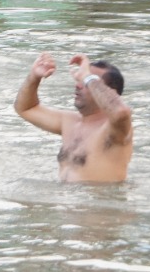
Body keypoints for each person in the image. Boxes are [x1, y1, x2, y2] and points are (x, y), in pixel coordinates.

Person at [15, 53, 133, 183]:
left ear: (111, 92)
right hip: (67, 199)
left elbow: (120, 112)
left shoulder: (115, 130)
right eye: (79, 80)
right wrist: (34, 77)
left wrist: (88, 76)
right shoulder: (69, 122)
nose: (78, 85)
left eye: (87, 82)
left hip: (99, 202)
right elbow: (26, 108)